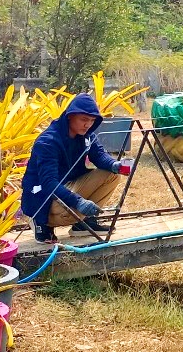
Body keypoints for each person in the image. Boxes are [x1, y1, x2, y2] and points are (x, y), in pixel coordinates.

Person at [22, 93, 131, 244]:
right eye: (84, 119)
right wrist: (78, 201)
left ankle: (83, 223)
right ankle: (40, 222)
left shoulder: (86, 135)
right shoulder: (48, 142)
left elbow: (99, 155)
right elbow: (49, 183)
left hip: (69, 184)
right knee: (66, 208)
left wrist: (115, 165)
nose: (88, 125)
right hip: (43, 197)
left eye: (92, 120)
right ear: (70, 116)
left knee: (112, 174)